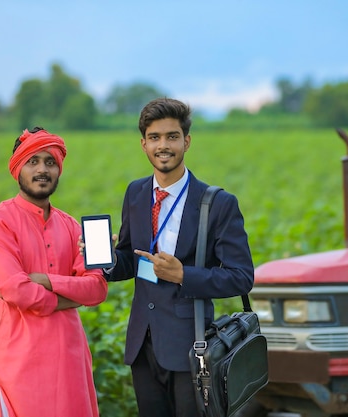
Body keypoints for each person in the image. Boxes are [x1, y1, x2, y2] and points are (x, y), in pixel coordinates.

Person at [105, 98, 254, 416]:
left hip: (192, 347)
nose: (164, 145)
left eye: (172, 136)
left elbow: (242, 276)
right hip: (143, 347)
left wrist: (184, 275)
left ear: (186, 141)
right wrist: (104, 259)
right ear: (143, 144)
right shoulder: (136, 193)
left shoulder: (217, 203)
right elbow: (130, 258)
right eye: (155, 138)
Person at [0, 127, 108, 417]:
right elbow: (16, 290)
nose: (42, 170)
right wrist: (70, 297)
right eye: (32, 161)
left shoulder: (73, 226)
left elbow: (97, 288)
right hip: (20, 363)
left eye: (50, 162)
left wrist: (46, 280)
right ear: (17, 168)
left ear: (59, 170)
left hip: (71, 361)